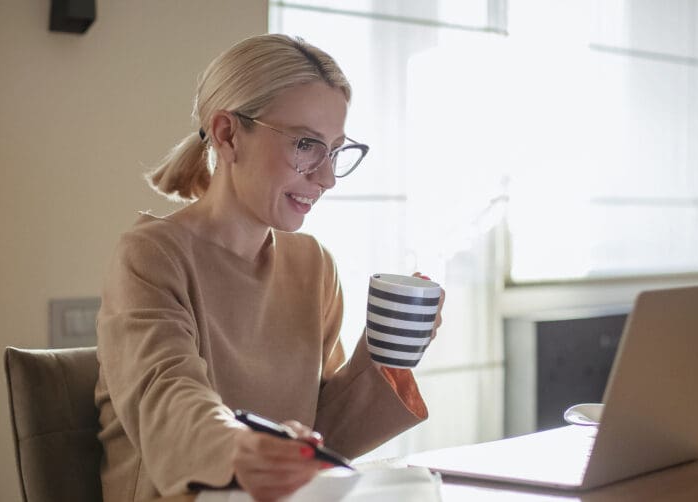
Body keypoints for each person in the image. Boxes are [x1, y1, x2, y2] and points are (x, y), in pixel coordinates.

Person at [94, 34, 444, 502]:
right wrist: (239, 449)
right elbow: (167, 394)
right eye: (305, 145)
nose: (327, 177)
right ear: (228, 134)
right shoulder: (152, 256)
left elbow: (322, 439)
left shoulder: (312, 264)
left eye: (335, 149)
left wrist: (388, 354)